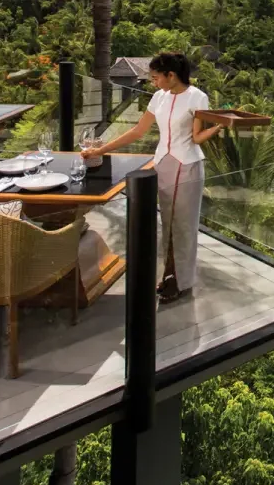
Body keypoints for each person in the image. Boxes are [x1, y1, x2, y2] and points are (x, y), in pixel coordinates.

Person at [82, 53, 223, 302]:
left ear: (172, 75)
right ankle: (170, 275)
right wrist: (100, 150)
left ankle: (180, 281)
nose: (153, 82)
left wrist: (219, 127)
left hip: (187, 165)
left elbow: (196, 138)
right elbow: (138, 131)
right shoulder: (159, 97)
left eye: (156, 77)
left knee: (183, 227)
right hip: (163, 163)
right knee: (167, 224)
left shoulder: (197, 97)